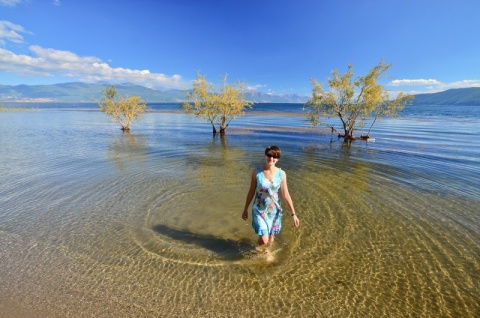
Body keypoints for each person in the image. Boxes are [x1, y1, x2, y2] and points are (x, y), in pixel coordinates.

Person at [242, 145, 300, 250]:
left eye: (275, 157)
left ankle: (264, 252)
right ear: (265, 155)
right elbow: (251, 191)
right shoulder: (257, 173)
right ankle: (263, 253)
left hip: (274, 210)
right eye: (269, 155)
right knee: (264, 238)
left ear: (278, 159)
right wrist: (245, 209)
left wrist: (293, 214)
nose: (272, 159)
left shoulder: (282, 174)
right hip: (259, 210)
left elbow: (286, 194)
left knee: (271, 237)